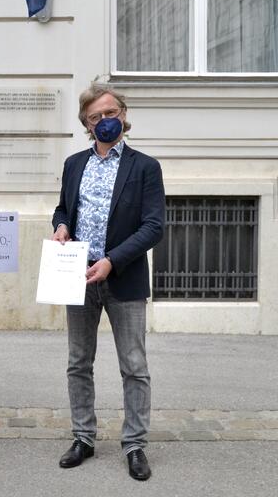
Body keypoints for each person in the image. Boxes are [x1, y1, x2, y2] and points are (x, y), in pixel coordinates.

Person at [51, 84, 165, 481]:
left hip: (124, 277)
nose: (104, 121)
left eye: (110, 112)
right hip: (77, 276)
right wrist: (61, 226)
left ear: (123, 114)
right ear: (85, 122)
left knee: (134, 366)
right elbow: (63, 208)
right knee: (78, 363)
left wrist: (113, 262)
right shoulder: (74, 164)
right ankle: (83, 437)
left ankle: (134, 444)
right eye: (96, 116)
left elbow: (154, 227)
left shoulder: (145, 167)